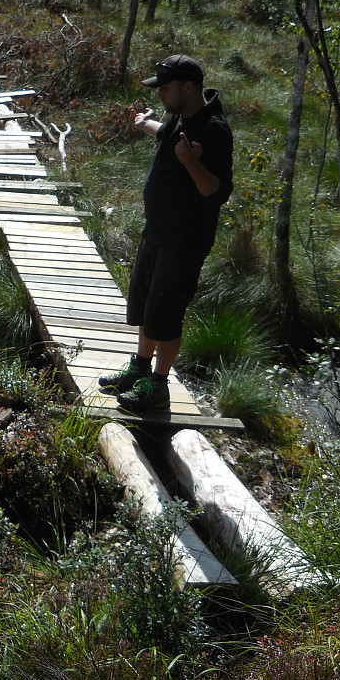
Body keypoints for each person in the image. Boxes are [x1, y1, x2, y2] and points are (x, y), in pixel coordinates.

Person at [99, 54, 233, 412]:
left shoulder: (214, 129)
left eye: (165, 88)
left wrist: (191, 163)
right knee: (145, 305)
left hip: (184, 240)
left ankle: (158, 387)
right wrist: (147, 124)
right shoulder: (183, 116)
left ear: (188, 87)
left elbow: (217, 191)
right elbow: (170, 135)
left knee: (166, 313)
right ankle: (139, 369)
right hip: (158, 230)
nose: (160, 95)